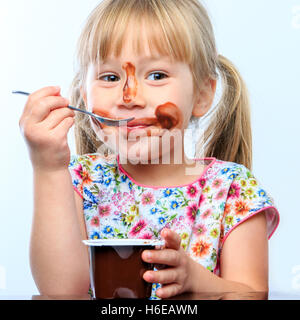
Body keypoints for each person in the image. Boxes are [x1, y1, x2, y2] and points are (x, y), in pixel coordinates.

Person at [19, 0, 280, 300]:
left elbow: (252, 294)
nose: (130, 97)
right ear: (84, 96)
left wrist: (198, 282)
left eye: (156, 75)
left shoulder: (233, 190)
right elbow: (61, 292)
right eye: (110, 77)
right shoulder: (79, 181)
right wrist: (47, 167)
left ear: (202, 94)